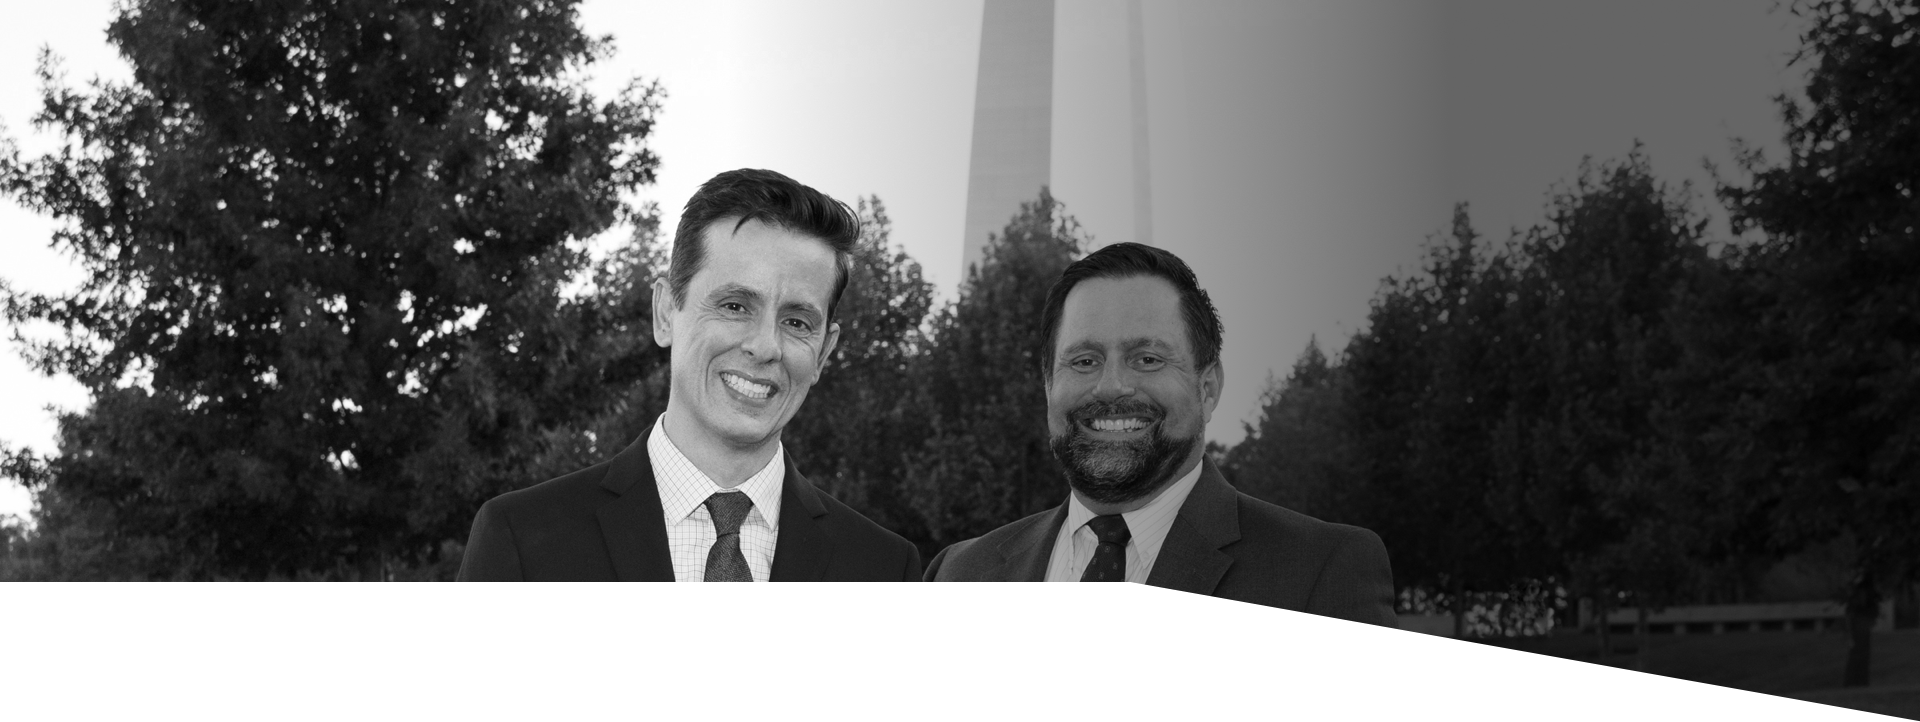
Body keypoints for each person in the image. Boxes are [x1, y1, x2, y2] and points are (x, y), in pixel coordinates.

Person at [457, 169, 921, 581]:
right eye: (735, 306)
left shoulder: (883, 567)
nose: (765, 346)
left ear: (823, 352)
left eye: (797, 322)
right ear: (665, 313)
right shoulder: (522, 537)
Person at [923, 242, 1397, 623]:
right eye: (1084, 361)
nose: (1111, 386)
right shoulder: (959, 571)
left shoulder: (1322, 571)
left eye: (1147, 359)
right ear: (1049, 386)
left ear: (1208, 388)